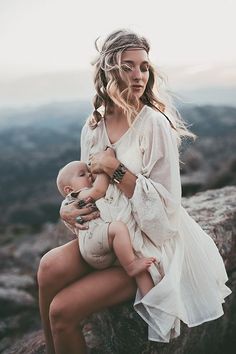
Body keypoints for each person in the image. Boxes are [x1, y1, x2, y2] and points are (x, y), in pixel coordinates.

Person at [37, 29, 232, 354]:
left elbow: (167, 212)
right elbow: (89, 187)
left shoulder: (153, 123)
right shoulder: (93, 126)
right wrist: (67, 208)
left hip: (146, 243)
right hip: (107, 233)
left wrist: (117, 170)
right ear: (109, 71)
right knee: (47, 267)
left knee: (62, 310)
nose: (139, 75)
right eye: (128, 66)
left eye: (143, 66)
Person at [56, 160, 156, 294]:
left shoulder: (80, 195)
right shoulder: (77, 195)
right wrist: (104, 167)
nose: (89, 175)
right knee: (118, 228)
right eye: (82, 174)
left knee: (138, 261)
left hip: (102, 243)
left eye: (88, 171)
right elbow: (99, 190)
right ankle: (131, 266)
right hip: (93, 245)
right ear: (69, 189)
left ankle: (151, 300)